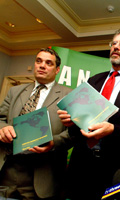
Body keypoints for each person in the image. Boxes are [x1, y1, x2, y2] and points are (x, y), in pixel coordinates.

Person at [58, 28, 120, 200]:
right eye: (114, 43)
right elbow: (79, 124)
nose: (116, 47)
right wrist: (72, 121)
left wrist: (113, 129)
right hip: (81, 163)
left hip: (117, 166)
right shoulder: (94, 80)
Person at [0, 47, 73, 200]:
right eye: (38, 61)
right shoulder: (15, 91)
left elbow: (74, 133)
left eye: (48, 63)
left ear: (57, 69)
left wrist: (54, 142)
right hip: (7, 171)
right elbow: (0, 119)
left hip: (43, 175)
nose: (42, 65)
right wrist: (3, 128)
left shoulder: (68, 95)